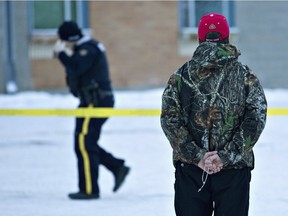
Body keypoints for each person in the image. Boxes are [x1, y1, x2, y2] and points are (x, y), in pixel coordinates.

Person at [160, 13, 267, 216]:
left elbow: (169, 120)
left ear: (200, 38)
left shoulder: (180, 76)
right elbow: (256, 117)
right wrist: (226, 156)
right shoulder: (245, 75)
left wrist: (197, 156)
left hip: (190, 169)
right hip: (234, 170)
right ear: (227, 37)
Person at [53, 21, 130, 200]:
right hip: (90, 103)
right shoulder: (83, 49)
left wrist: (62, 55)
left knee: (84, 143)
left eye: (64, 41)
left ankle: (89, 189)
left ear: (69, 38)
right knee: (86, 143)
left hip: (95, 104)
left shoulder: (88, 49)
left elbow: (76, 68)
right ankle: (116, 167)